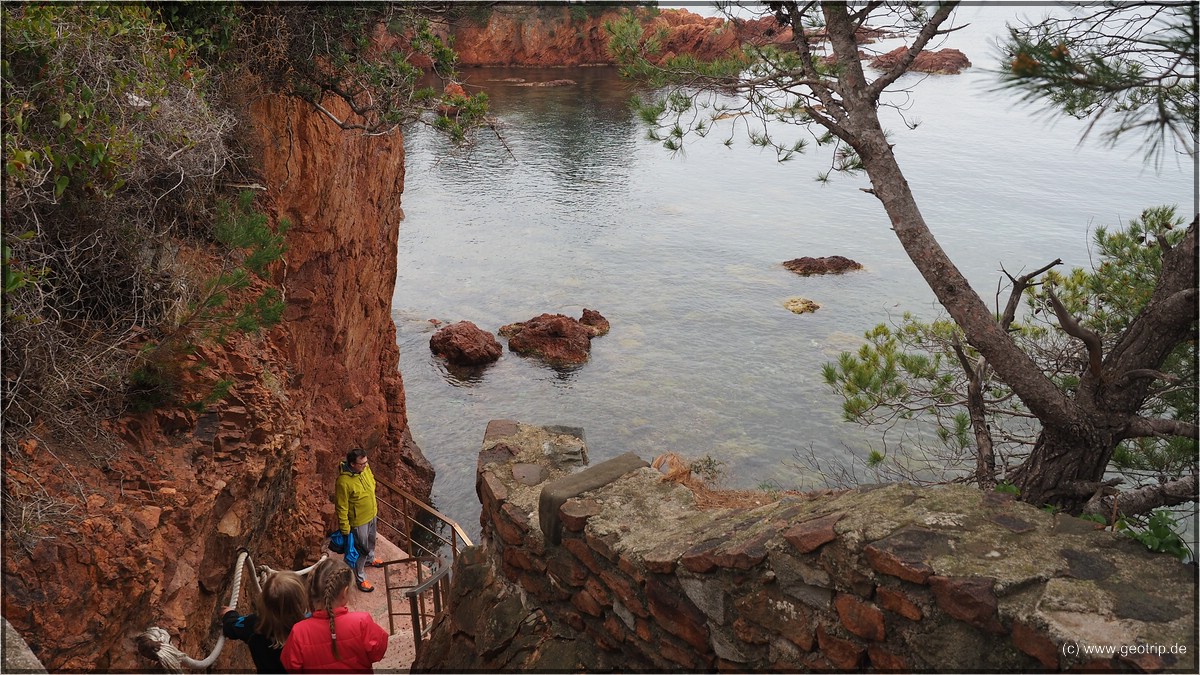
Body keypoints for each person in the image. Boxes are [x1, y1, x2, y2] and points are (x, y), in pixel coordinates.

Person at [281, 558, 389, 673]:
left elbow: (290, 666)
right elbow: (378, 652)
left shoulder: (298, 632)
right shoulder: (362, 622)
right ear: (345, 592)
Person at [221, 570, 309, 673]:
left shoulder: (254, 625)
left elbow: (231, 626)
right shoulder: (307, 634)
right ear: (301, 602)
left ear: (263, 601)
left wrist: (229, 614)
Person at [335, 448, 384, 592]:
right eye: (361, 464)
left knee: (371, 541)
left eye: (366, 462)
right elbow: (341, 507)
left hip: (371, 513)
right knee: (360, 549)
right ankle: (360, 578)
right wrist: (345, 529)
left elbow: (371, 480)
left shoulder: (365, 469)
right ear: (352, 464)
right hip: (358, 521)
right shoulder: (343, 482)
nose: (365, 465)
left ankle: (370, 559)